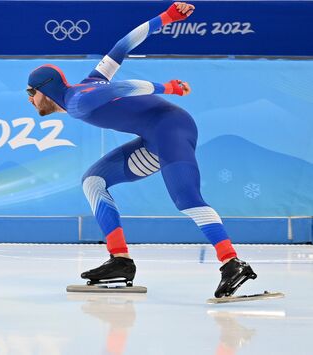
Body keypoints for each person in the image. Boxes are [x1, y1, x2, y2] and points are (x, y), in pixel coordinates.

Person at [26, 2, 257, 298]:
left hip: (172, 129)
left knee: (187, 198)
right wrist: (167, 17)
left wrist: (167, 87)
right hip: (152, 139)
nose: (30, 100)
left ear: (44, 90)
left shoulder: (78, 100)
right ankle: (120, 260)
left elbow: (119, 89)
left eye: (30, 93)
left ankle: (232, 262)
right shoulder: (88, 86)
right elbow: (122, 46)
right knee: (93, 181)